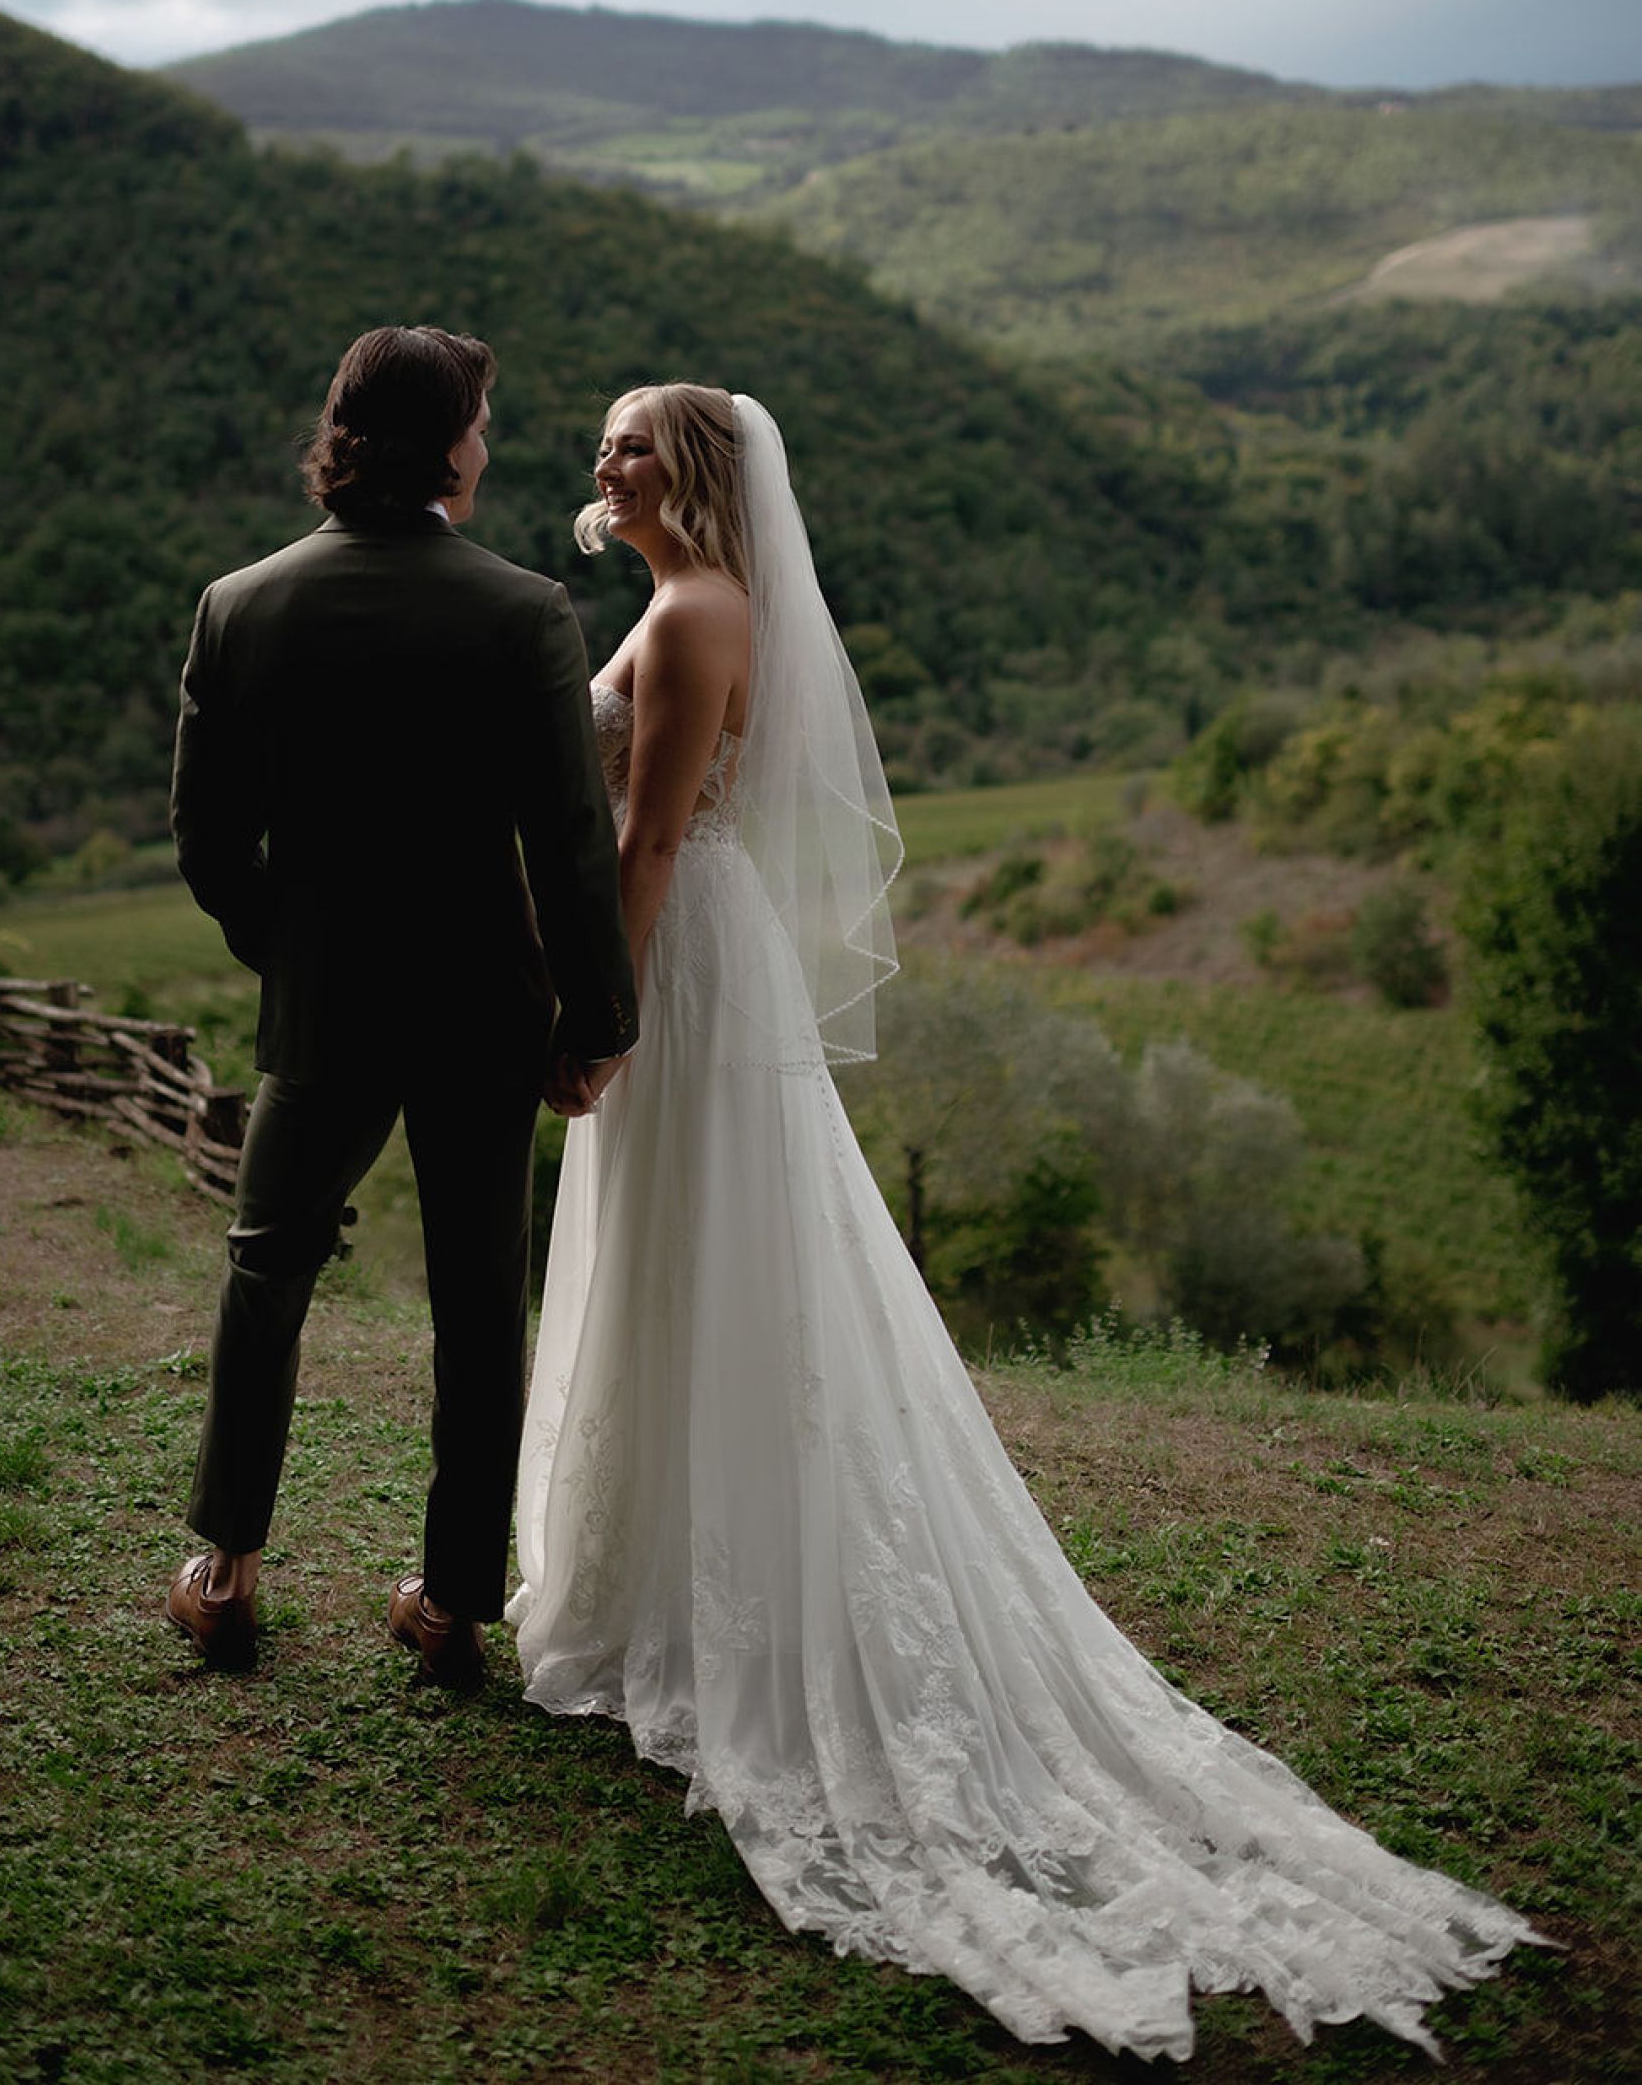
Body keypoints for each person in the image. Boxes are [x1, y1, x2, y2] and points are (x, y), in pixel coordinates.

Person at [509, 383, 1543, 2063]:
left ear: (691, 471)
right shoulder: (678, 599)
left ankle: (718, 1603)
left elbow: (644, 836)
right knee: (687, 1272)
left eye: (631, 441)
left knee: (717, 1266)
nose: (601, 459)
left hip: (683, 962)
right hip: (705, 949)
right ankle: (657, 1587)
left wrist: (598, 1011)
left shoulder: (696, 613)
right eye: (605, 440)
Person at [167, 325, 635, 1685]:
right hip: (487, 1006)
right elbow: (569, 840)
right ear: (448, 443)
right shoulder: (524, 611)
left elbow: (205, 839)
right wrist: (597, 1016)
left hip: (323, 1010)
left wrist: (294, 949)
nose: (489, 445)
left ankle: (226, 1572)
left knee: (267, 1265)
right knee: (481, 1300)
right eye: (482, 421)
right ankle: (451, 1610)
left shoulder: (241, 605)